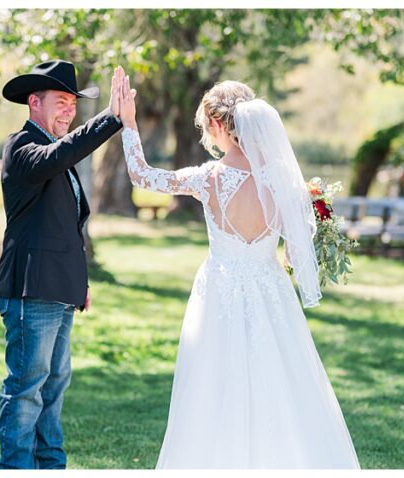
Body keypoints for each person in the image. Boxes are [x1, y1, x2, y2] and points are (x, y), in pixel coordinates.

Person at [113, 67, 359, 468]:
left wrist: (129, 125)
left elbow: (141, 176)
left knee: (211, 385)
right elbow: (295, 258)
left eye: (206, 127)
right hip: (271, 292)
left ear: (216, 124)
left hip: (219, 293)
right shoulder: (284, 183)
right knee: (281, 384)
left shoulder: (207, 178)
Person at [0, 59, 123, 469]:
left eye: (73, 104)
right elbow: (59, 155)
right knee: (26, 388)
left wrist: (78, 282)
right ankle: (15, 468)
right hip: (31, 289)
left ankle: (51, 466)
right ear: (34, 102)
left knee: (54, 387)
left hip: (59, 288)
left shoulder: (53, 153)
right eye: (61, 102)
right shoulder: (23, 147)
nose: (69, 110)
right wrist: (110, 119)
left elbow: (66, 227)